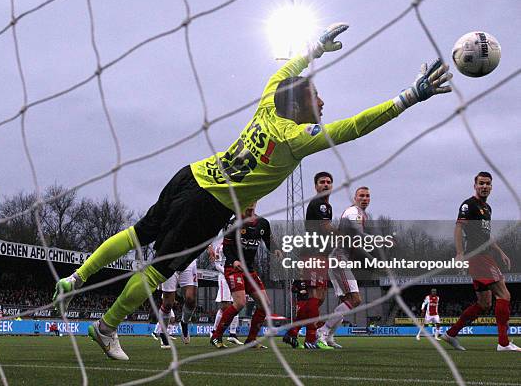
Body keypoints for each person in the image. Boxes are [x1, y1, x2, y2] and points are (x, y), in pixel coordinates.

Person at [53, 22, 453, 360]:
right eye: (316, 97)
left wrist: (313, 50)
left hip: (191, 174)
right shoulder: (296, 137)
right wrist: (409, 98)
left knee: (136, 234)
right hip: (209, 204)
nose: (323, 101)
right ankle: (106, 327)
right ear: (300, 106)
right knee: (160, 269)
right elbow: (356, 126)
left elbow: (286, 71)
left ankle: (76, 278)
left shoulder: (268, 103)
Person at [442, 172, 518, 352]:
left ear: (491, 186)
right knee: (504, 295)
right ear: (475, 185)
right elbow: (459, 227)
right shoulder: (469, 205)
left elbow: (487, 235)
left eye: (488, 184)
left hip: (485, 256)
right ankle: (504, 343)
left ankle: (451, 334)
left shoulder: (487, 208)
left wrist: (501, 252)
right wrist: (460, 253)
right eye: (481, 183)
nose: (485, 186)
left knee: (484, 303)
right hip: (478, 257)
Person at [283, 171, 335, 350]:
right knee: (314, 297)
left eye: (329, 182)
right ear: (316, 186)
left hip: (321, 255)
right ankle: (310, 339)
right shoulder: (319, 204)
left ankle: (292, 332)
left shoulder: (327, 206)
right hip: (313, 254)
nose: (326, 185)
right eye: (322, 182)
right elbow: (326, 228)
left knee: (318, 299)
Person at [209, 203, 272, 349]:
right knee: (240, 303)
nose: (250, 203)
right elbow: (226, 247)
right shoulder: (233, 223)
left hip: (249, 270)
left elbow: (268, 242)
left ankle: (251, 340)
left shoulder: (263, 223)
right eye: (247, 199)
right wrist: (234, 260)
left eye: (254, 200)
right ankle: (216, 336)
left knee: (265, 304)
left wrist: (277, 250)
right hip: (233, 268)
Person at [317, 186, 371, 348]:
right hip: (339, 260)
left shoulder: (361, 215)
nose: (365, 198)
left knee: (346, 301)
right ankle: (323, 331)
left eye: (367, 196)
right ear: (355, 198)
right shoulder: (353, 213)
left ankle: (329, 337)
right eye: (361, 195)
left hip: (340, 260)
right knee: (355, 299)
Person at [153, 259, 198, 348]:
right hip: (169, 261)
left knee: (191, 300)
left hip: (188, 261)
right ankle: (163, 333)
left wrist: (209, 247)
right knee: (168, 304)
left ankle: (184, 323)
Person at [208, 242, 243, 345]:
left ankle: (232, 334)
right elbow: (217, 265)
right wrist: (228, 272)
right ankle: (214, 331)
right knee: (225, 306)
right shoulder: (221, 247)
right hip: (224, 278)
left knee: (237, 305)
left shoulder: (238, 245)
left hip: (235, 277)